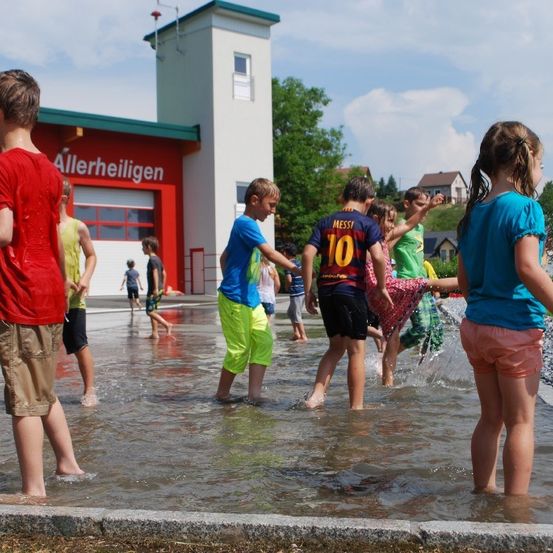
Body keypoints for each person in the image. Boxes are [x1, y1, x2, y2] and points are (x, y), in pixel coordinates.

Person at [457, 121, 552, 497]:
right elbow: (528, 268)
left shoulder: (473, 213)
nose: (543, 172)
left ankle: (484, 493)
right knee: (521, 422)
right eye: (542, 163)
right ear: (524, 160)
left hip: (476, 329)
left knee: (490, 417)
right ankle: (515, 512)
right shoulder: (526, 208)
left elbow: (464, 285)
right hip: (513, 329)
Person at [0, 69, 83, 497]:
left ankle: (33, 490)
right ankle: (68, 464)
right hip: (52, 291)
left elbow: (4, 232)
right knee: (42, 387)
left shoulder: (3, 165)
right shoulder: (52, 171)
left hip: (19, 292)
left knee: (22, 397)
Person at [302, 176, 393, 410]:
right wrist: (382, 287)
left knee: (335, 347)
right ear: (369, 200)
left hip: (327, 291)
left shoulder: (325, 222)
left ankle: (315, 397)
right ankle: (357, 408)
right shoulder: (366, 224)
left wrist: (307, 291)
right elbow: (379, 257)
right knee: (356, 350)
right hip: (351, 290)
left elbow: (307, 255)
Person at [216, 177, 301, 403]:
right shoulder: (245, 223)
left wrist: (238, 281)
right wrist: (296, 268)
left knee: (264, 341)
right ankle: (222, 394)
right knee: (240, 349)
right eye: (271, 205)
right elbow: (271, 254)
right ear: (255, 200)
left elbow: (224, 257)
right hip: (234, 299)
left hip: (250, 299)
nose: (273, 211)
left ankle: (254, 395)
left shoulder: (247, 226)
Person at [365, 199, 458, 386]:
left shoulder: (384, 237)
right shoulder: (367, 240)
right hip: (384, 289)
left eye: (393, 221)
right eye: (389, 220)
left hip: (385, 293)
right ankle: (471, 281)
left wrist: (428, 208)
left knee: (392, 336)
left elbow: (409, 223)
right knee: (428, 283)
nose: (392, 225)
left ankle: (387, 381)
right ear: (375, 219)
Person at [388, 187, 445, 363]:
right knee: (421, 328)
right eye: (420, 204)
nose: (424, 208)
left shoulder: (419, 228)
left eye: (425, 205)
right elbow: (385, 247)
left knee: (436, 330)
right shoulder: (401, 226)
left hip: (423, 284)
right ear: (406, 204)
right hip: (407, 284)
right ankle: (388, 358)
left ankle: (425, 369)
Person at [59, 177, 98, 407]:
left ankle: (89, 390)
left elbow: (91, 255)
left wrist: (85, 277)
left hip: (73, 299)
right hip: (49, 298)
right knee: (48, 344)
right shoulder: (43, 225)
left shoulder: (77, 226)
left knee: (78, 343)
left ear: (63, 198)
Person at [142, 236, 172, 339]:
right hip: (159, 289)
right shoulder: (158, 259)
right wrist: (162, 287)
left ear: (149, 247)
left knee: (149, 312)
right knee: (153, 311)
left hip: (153, 290)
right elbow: (164, 273)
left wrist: (155, 288)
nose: (142, 249)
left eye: (143, 247)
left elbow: (155, 272)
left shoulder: (152, 260)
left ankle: (167, 324)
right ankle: (155, 333)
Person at [283, 242, 308, 341]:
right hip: (301, 291)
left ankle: (303, 336)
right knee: (290, 312)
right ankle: (296, 333)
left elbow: (289, 279)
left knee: (297, 314)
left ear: (285, 253)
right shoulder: (298, 262)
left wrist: (286, 287)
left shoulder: (288, 265)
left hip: (296, 292)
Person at [257, 255, 280, 322]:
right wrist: (274, 293)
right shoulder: (273, 269)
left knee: (258, 321)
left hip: (257, 297)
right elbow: (278, 285)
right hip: (269, 297)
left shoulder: (256, 269)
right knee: (267, 321)